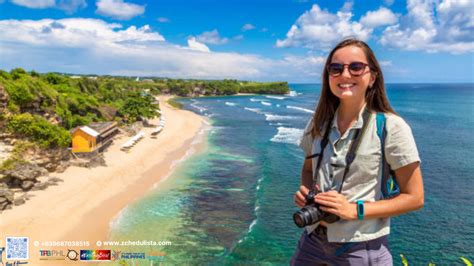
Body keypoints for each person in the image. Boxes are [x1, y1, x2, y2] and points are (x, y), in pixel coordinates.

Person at [291, 38, 424, 265]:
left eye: (356, 67)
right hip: (312, 241)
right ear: (328, 76)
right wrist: (306, 192)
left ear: (372, 77)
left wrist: (355, 210)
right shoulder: (318, 123)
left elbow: (415, 198)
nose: (345, 75)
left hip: (360, 249)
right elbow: (308, 168)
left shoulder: (391, 127)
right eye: (336, 68)